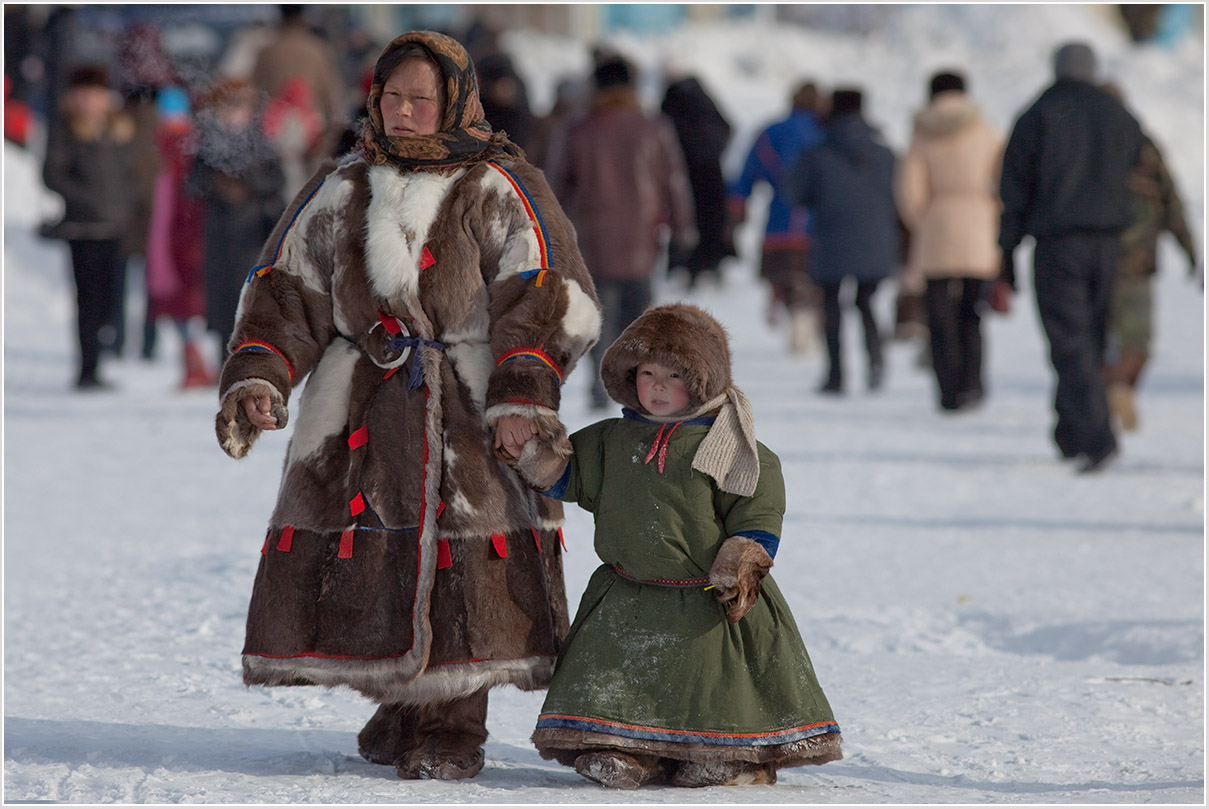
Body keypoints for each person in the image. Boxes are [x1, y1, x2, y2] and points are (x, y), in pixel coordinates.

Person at [214, 31, 601, 782]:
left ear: (454, 98)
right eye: (392, 96)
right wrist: (262, 375)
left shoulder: (498, 183)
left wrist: (522, 391)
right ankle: (400, 696)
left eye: (420, 98)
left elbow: (547, 289)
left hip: (469, 402)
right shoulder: (341, 184)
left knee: (467, 559)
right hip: (361, 398)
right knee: (373, 546)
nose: (403, 111)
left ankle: (454, 720)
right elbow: (285, 289)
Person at [505, 303, 842, 789]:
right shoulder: (609, 440)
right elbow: (570, 476)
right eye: (647, 373)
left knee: (710, 686)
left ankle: (728, 755)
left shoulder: (732, 447)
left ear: (703, 380)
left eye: (674, 375)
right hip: (627, 592)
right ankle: (624, 749)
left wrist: (742, 557)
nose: (657, 386)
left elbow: (758, 511)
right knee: (619, 677)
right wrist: (534, 456)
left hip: (706, 599)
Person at [998, 42, 1144, 473]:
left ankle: (1098, 439)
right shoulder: (1118, 114)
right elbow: (1138, 160)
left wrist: (1006, 249)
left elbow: (1014, 188)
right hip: (1109, 243)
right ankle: (1071, 431)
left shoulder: (1037, 115)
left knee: (1068, 340)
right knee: (1092, 337)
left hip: (1058, 242)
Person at [547, 55, 696, 410]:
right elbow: (674, 182)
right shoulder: (654, 127)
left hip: (590, 240)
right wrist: (684, 228)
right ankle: (636, 390)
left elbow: (554, 186)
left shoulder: (578, 128)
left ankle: (600, 388)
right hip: (641, 241)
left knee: (598, 317)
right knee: (638, 319)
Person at [895, 70, 1005, 412]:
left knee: (939, 316)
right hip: (979, 227)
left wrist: (926, 220)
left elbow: (908, 191)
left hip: (936, 227)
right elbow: (1005, 181)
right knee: (972, 313)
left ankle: (947, 390)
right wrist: (993, 215)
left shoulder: (921, 135)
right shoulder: (986, 132)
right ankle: (973, 383)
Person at [1098, 82, 1200, 432]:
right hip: (1138, 260)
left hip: (1091, 257)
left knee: (1093, 338)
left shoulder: (1080, 146)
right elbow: (1171, 202)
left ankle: (1107, 392)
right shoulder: (1143, 145)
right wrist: (1191, 252)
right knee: (1138, 340)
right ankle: (1122, 385)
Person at [786, 88, 899, 394]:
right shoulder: (886, 153)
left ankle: (836, 375)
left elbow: (796, 194)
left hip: (830, 237)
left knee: (832, 306)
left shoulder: (816, 153)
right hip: (875, 239)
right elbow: (899, 197)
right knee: (866, 301)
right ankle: (875, 362)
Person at [41, 64, 135, 390]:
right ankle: (87, 368)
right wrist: (88, 199)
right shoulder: (65, 129)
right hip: (83, 228)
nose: (89, 100)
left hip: (115, 226)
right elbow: (52, 174)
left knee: (111, 300)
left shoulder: (118, 130)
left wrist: (126, 203)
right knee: (88, 300)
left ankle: (100, 355)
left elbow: (131, 173)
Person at [186, 78, 285, 366]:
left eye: (240, 106)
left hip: (252, 231)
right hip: (219, 231)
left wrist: (249, 185)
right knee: (221, 301)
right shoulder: (208, 142)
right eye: (228, 106)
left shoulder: (262, 142)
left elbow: (276, 184)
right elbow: (192, 183)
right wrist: (216, 184)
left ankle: (253, 356)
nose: (234, 113)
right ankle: (223, 359)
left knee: (252, 298)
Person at [728, 81, 827, 355]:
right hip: (819, 223)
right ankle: (809, 320)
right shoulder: (827, 130)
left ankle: (795, 314)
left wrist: (737, 207)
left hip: (780, 220)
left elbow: (746, 175)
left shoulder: (771, 131)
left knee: (784, 274)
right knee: (815, 278)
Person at [144, 85, 214, 389]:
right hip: (174, 229)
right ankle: (191, 357)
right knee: (179, 297)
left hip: (178, 230)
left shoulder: (178, 145)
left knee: (181, 297)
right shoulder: (183, 143)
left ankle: (193, 357)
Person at [250, 4, 348, 199]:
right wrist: (335, 128)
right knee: (310, 185)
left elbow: (255, 93)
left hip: (274, 127)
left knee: (283, 185)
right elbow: (332, 93)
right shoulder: (317, 48)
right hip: (311, 124)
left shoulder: (268, 50)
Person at [661, 71, 734, 287]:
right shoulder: (704, 97)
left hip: (685, 172)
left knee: (689, 216)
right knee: (712, 218)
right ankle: (712, 262)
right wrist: (714, 152)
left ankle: (690, 265)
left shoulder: (672, 98)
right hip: (712, 170)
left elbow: (663, 134)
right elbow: (728, 127)